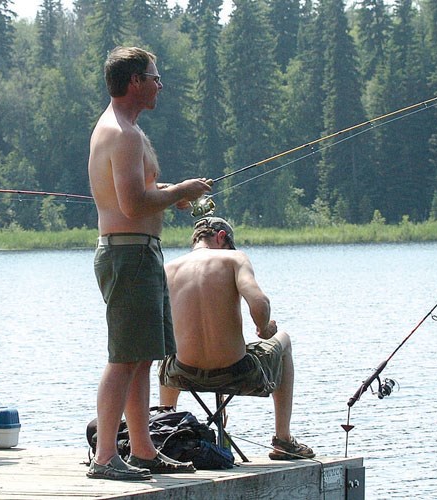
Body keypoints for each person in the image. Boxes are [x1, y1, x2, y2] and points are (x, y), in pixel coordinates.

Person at [87, 46, 213, 480]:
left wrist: (173, 191)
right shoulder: (121, 133)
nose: (161, 85)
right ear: (135, 82)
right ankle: (105, 458)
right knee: (123, 357)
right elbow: (133, 201)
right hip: (127, 253)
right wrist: (181, 192)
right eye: (155, 78)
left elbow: (143, 190)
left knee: (142, 356)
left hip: (140, 251)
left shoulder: (128, 131)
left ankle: (142, 450)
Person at [159, 217, 316, 460]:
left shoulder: (169, 268)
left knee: (166, 352)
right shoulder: (234, 259)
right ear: (222, 237)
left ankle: (165, 426)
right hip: (237, 372)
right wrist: (264, 329)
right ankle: (283, 439)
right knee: (284, 340)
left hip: (183, 374)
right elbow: (259, 302)